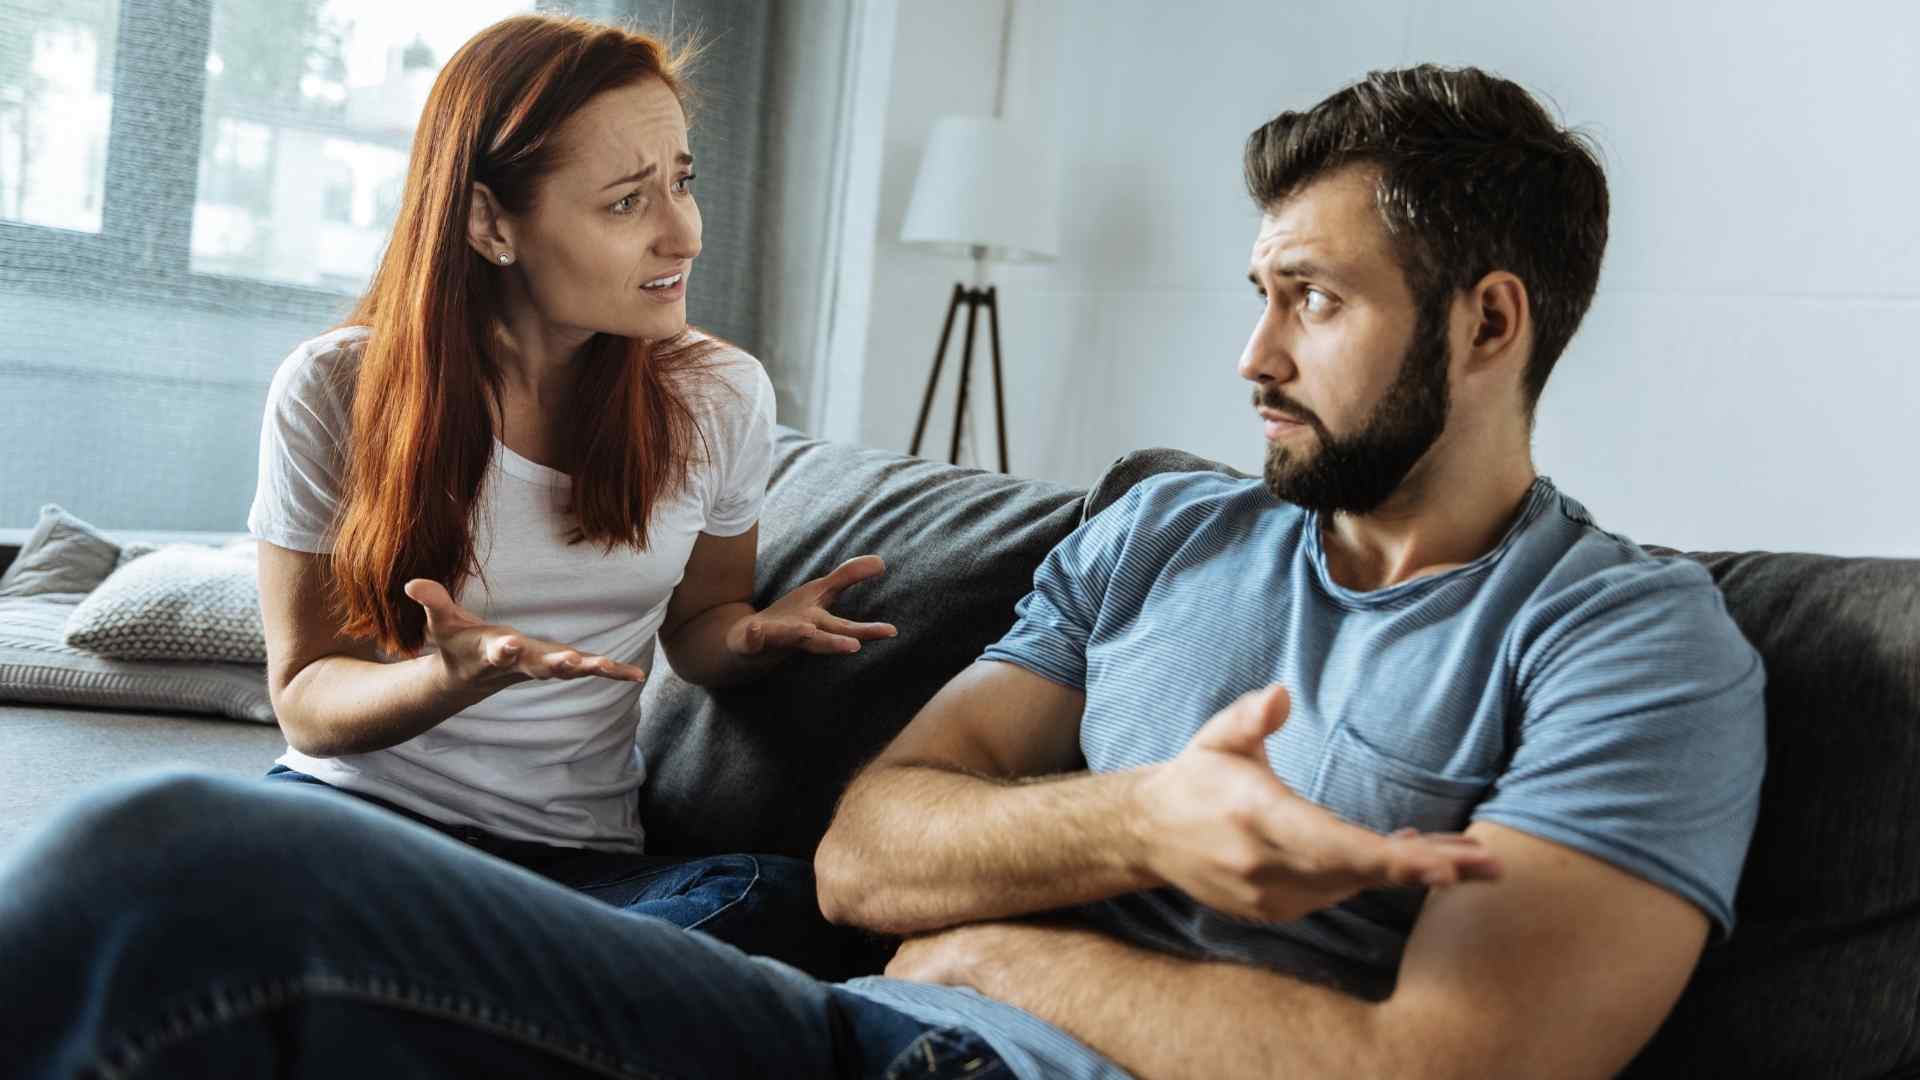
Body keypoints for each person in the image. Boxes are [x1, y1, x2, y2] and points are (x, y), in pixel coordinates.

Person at [0, 64, 1765, 1079]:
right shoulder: (1168, 531)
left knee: (170, 867)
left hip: (949, 1050)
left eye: (1310, 300)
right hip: (840, 1029)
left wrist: (1003, 959)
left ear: (1488, 321)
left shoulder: (1631, 644)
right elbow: (863, 851)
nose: (1252, 358)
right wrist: (1143, 822)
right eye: (1256, 296)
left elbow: (1444, 1070)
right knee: (172, 900)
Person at [247, 13, 893, 963]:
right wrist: (445, 680)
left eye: (683, 180)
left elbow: (699, 629)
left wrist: (750, 636)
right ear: (489, 223)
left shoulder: (718, 394)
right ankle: (504, 997)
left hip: (574, 871)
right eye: (627, 203)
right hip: (355, 829)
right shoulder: (337, 387)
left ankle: (450, 988)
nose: (685, 233)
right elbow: (306, 694)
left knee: (776, 898)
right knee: (169, 853)